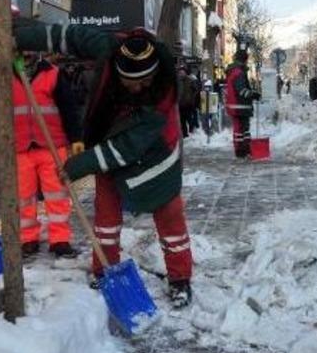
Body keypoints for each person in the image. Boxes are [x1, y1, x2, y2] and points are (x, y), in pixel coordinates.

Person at [14, 23, 194, 307]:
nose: (139, 87)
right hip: (107, 145)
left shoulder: (162, 94)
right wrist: (20, 37)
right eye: (132, 81)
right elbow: (68, 37)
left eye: (145, 81)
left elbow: (126, 147)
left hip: (157, 159)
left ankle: (180, 279)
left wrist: (78, 165)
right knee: (106, 220)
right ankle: (104, 270)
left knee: (171, 221)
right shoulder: (108, 48)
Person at [12, 53, 84, 258]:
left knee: (57, 195)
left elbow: (68, 108)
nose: (26, 53)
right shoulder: (5, 74)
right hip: (19, 147)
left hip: (52, 145)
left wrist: (76, 138)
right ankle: (28, 239)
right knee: (23, 198)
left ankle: (60, 240)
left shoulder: (52, 74)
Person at [224, 47, 261, 158]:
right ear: (244, 60)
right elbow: (242, 90)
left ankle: (244, 149)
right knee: (241, 130)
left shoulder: (233, 71)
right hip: (240, 106)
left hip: (236, 106)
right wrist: (253, 95)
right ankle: (242, 151)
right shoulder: (238, 72)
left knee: (241, 130)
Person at [177, 67, 197, 137]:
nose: (181, 74)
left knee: (189, 117)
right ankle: (185, 134)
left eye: (182, 73)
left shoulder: (190, 80)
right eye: (180, 73)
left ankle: (191, 128)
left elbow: (195, 90)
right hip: (180, 103)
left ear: (185, 73)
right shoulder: (177, 81)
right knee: (182, 120)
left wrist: (192, 98)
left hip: (188, 103)